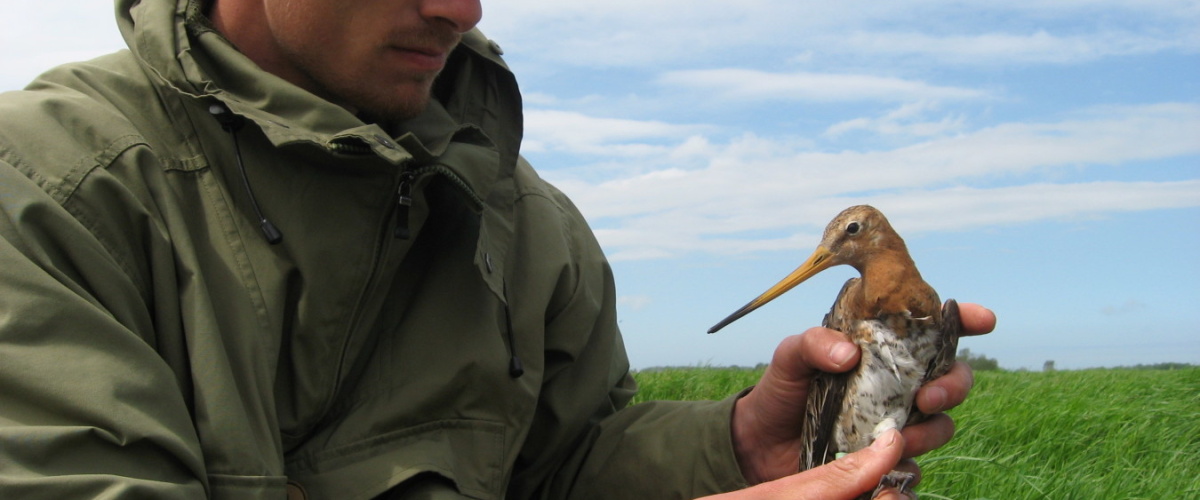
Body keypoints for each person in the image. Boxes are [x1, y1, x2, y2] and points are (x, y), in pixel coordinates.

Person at [0, 0, 995, 498]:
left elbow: (560, 464)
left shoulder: (531, 222)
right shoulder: (44, 191)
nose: (463, 6)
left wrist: (735, 442)